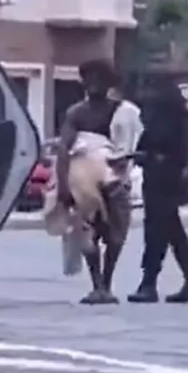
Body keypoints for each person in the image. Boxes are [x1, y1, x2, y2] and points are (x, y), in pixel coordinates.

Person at [56, 59, 134, 305]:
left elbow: (132, 144)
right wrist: (63, 186)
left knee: (116, 235)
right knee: (86, 233)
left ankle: (106, 285)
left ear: (109, 83)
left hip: (115, 180)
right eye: (88, 79)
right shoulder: (77, 113)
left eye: (98, 79)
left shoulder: (123, 113)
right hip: (83, 181)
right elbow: (63, 150)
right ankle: (97, 285)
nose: (92, 84)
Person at [128, 82, 188, 303]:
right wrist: (140, 156)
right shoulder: (157, 114)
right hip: (154, 174)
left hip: (169, 175)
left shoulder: (181, 115)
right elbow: (146, 144)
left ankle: (149, 282)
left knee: (157, 230)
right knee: (171, 228)